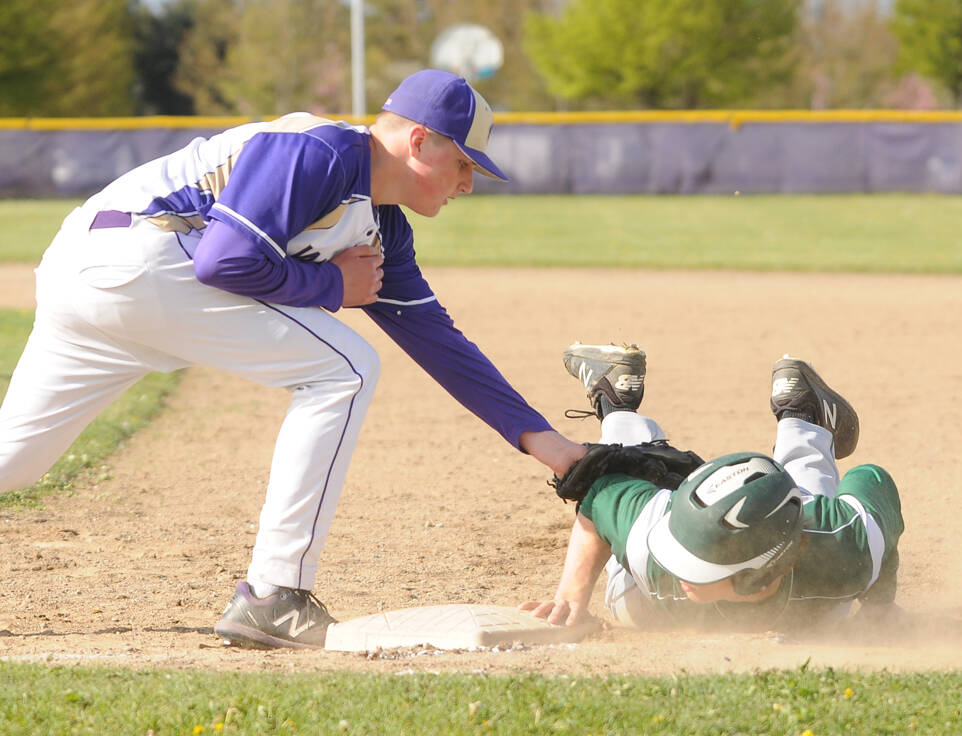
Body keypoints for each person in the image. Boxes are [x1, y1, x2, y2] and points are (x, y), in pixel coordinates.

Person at [0, 69, 586, 650]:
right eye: (463, 163)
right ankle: (274, 594)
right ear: (419, 141)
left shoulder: (383, 226)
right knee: (344, 370)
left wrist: (545, 443)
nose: (468, 184)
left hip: (94, 273)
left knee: (15, 462)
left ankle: (274, 594)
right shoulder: (321, 151)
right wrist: (331, 285)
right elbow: (221, 262)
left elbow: (438, 341)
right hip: (139, 256)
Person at [520, 344, 904, 631]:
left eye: (698, 565)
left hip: (803, 546)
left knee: (827, 602)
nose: (682, 573)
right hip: (671, 514)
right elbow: (601, 492)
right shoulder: (659, 555)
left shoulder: (842, 546)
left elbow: (874, 483)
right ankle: (617, 403)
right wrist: (571, 598)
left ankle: (802, 415)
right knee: (629, 606)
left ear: (759, 574)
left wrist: (878, 609)